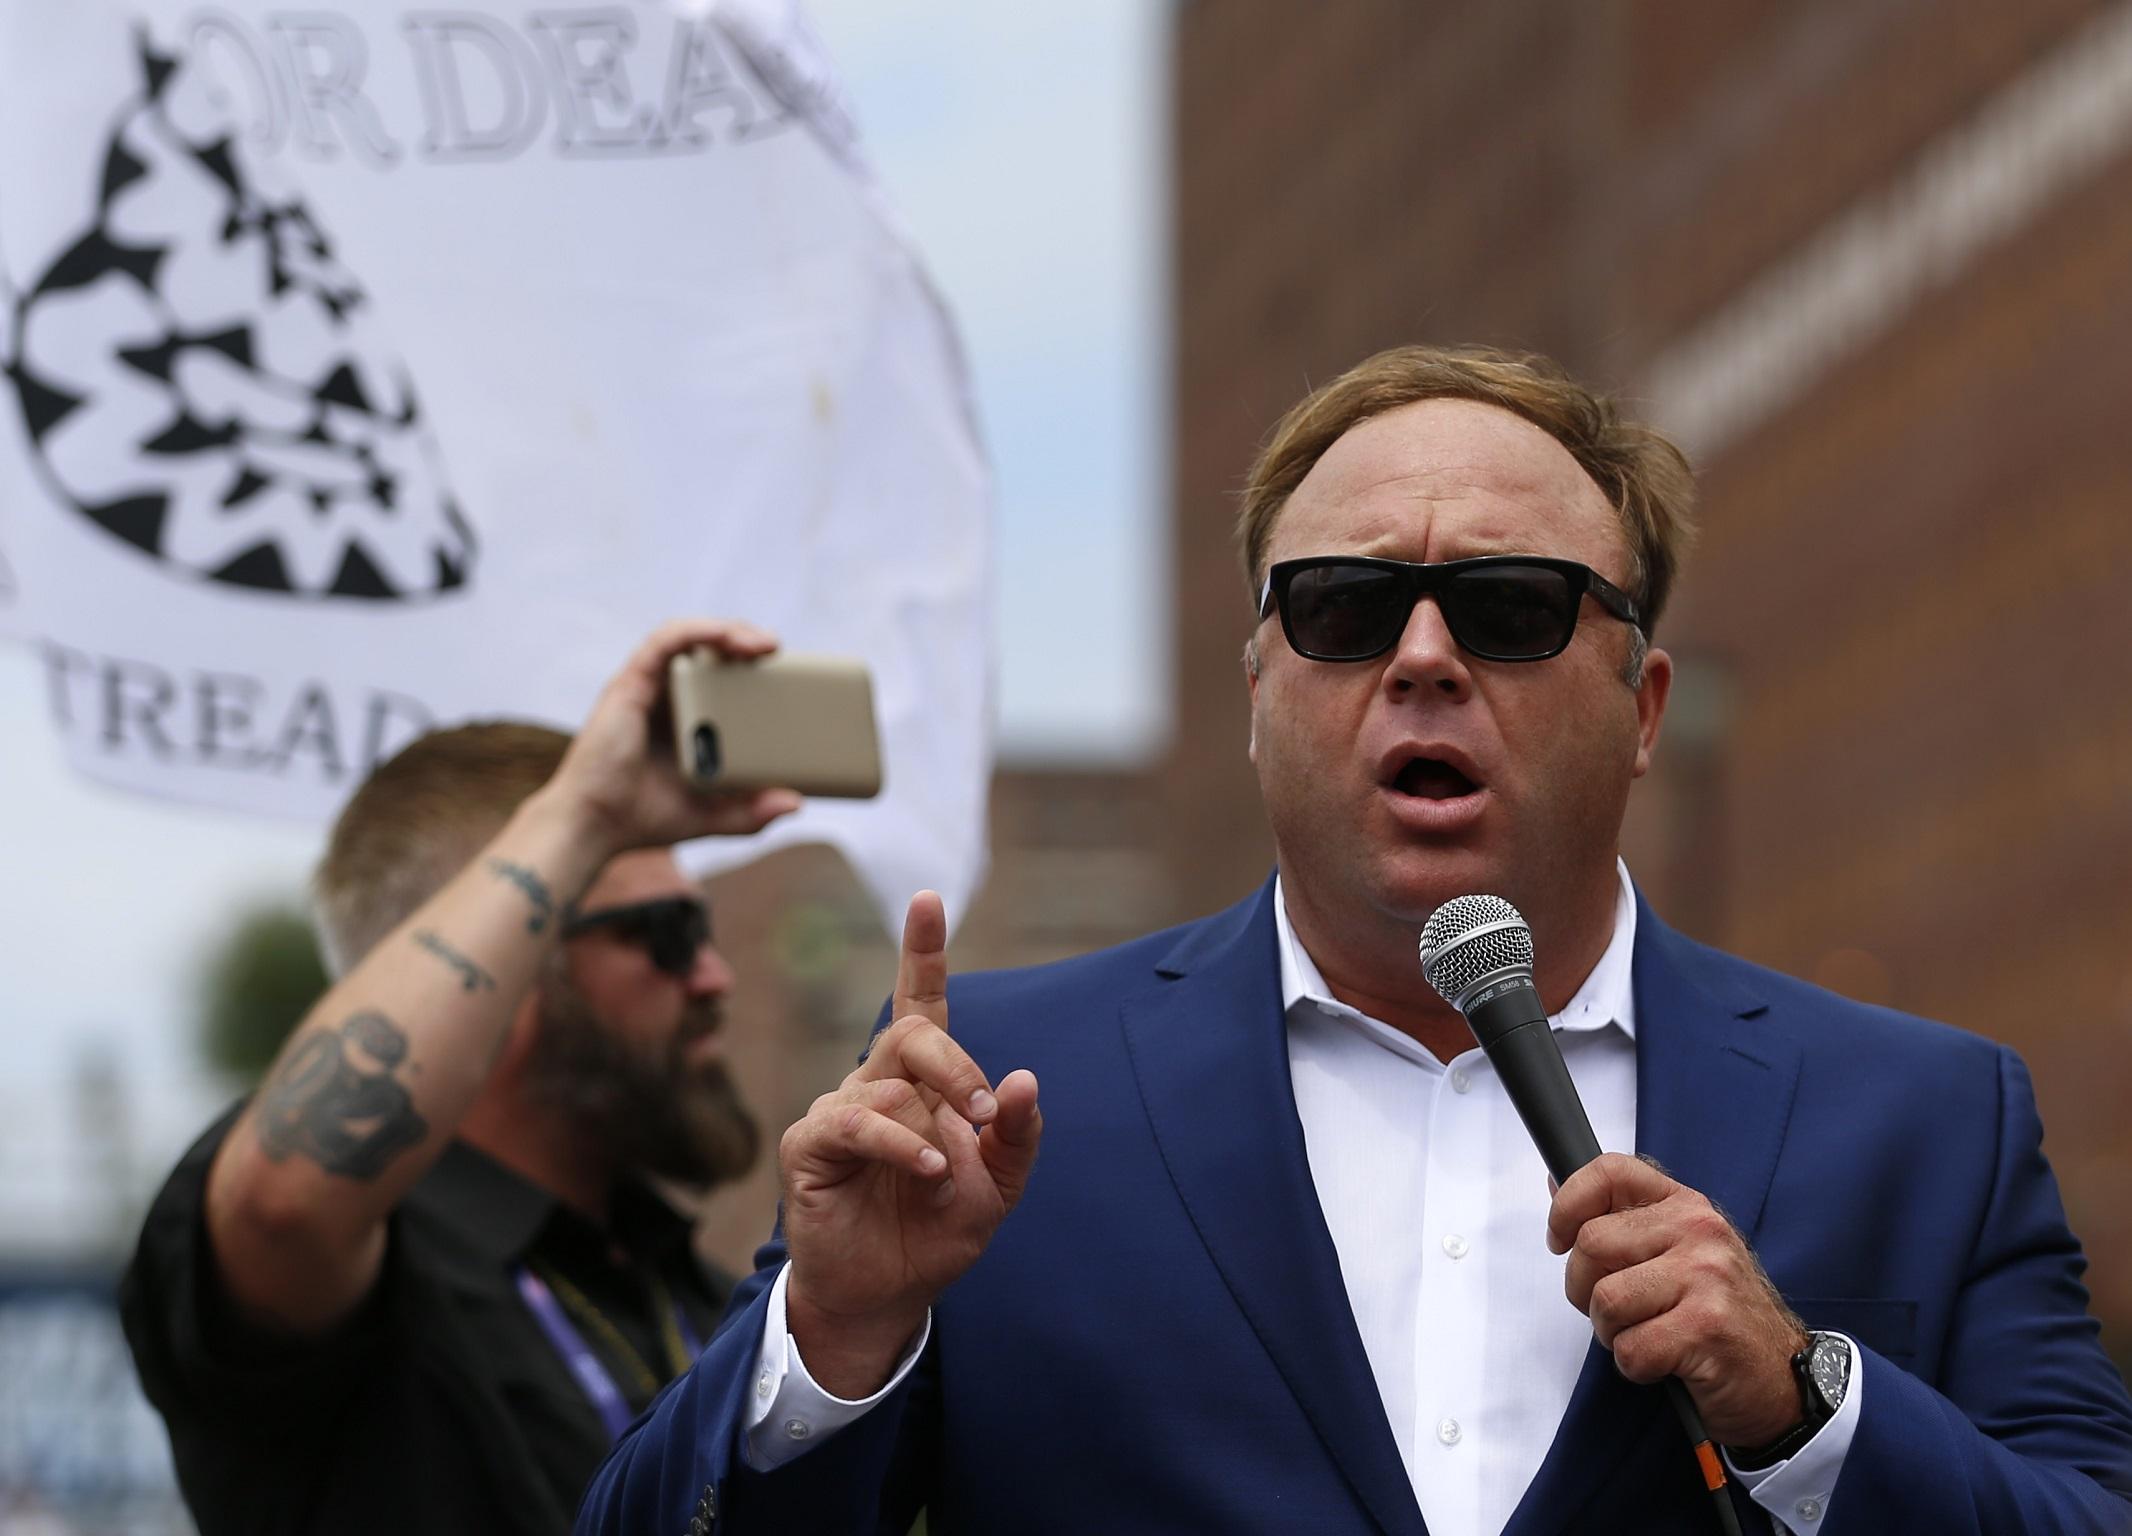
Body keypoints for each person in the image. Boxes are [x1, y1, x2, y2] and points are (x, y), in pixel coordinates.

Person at [576, 349, 2132, 1536]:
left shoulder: (1926, 1117)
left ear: (1643, 708)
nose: (1426, 658)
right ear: (1262, 693)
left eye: (1513, 606)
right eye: (1343, 608)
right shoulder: (985, 1099)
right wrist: (837, 1334)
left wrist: (1809, 1411)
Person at [121, 620, 803, 1536]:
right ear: (507, 974)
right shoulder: (376, 1273)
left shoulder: (712, 1302)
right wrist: (582, 816)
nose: (715, 976)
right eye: (667, 936)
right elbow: (283, 1198)